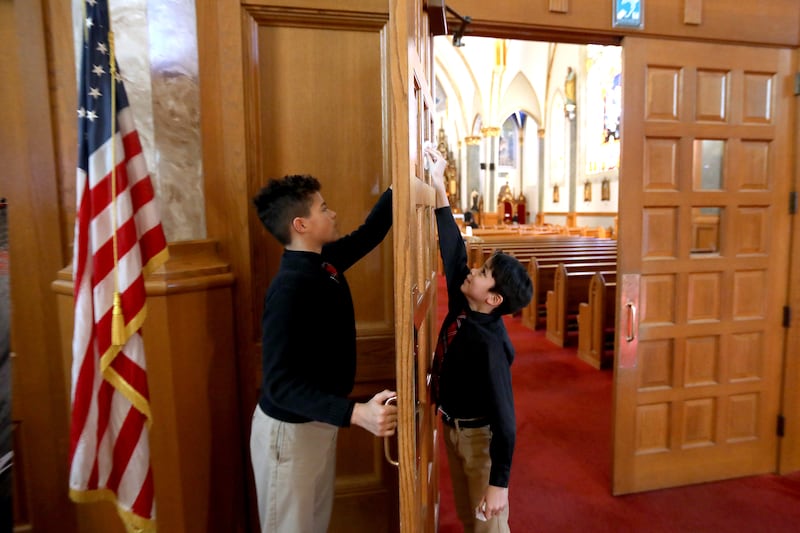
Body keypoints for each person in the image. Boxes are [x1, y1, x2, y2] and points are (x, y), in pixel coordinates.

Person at [250, 174, 398, 533]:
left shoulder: (322, 259)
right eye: (324, 208)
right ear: (301, 224)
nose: (333, 214)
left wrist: (402, 183)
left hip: (316, 424)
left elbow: (370, 233)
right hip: (289, 434)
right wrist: (354, 412)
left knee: (314, 525)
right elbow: (280, 386)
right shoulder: (289, 288)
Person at [426, 147, 532, 533]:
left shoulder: (490, 347)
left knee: (489, 525)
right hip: (454, 429)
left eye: (483, 272)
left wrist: (499, 484)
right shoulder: (466, 303)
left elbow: (506, 420)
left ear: (494, 299)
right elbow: (454, 253)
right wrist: (439, 185)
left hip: (478, 442)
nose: (472, 270)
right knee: (471, 521)